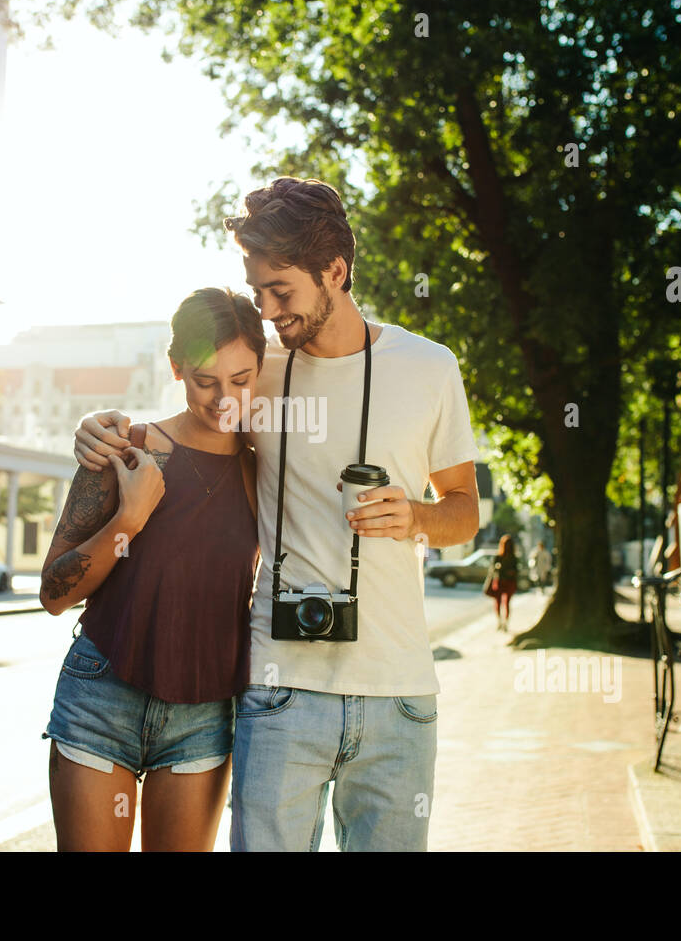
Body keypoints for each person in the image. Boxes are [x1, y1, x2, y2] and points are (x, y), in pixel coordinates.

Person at [74, 176, 480, 851]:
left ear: (336, 272)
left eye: (280, 291)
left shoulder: (430, 368)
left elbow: (464, 513)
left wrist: (415, 516)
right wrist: (98, 425)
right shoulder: (254, 369)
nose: (265, 310)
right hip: (278, 690)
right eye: (256, 290)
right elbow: (180, 424)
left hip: (400, 695)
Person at [37, 287, 262, 852]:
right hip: (100, 698)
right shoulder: (125, 451)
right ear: (176, 368)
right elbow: (53, 591)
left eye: (241, 379)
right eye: (205, 380)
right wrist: (129, 518)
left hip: (203, 714)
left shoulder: (269, 469)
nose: (224, 399)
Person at [483, 534, 518, 631]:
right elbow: (493, 569)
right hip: (500, 581)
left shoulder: (513, 558)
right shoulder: (499, 557)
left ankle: (504, 622)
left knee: (505, 603)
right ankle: (500, 621)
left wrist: (510, 572)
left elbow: (516, 570)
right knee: (499, 602)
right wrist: (498, 568)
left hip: (508, 582)